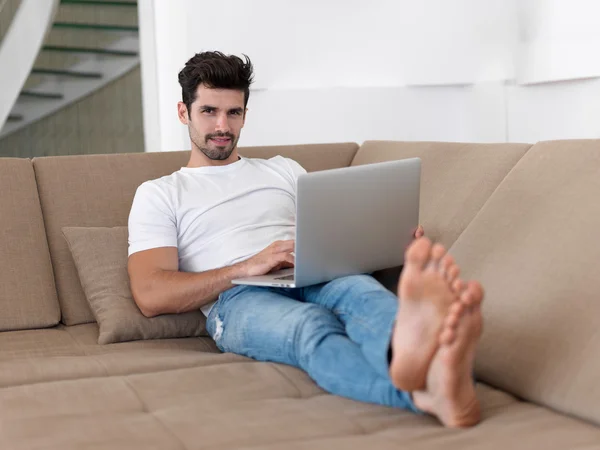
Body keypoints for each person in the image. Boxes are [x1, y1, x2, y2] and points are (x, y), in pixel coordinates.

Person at [127, 51, 484, 428]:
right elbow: (151, 295)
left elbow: (329, 231)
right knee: (309, 326)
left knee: (364, 294)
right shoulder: (161, 193)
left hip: (312, 273)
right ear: (184, 112)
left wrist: (385, 241)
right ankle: (426, 388)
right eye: (208, 111)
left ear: (245, 115)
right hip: (236, 299)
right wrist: (246, 267)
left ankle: (419, 358)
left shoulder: (283, 170)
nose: (222, 125)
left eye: (234, 113)